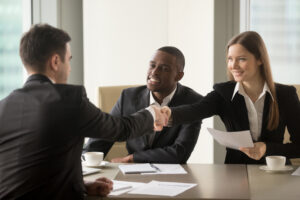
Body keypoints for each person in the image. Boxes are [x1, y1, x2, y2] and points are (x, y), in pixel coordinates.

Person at [0, 24, 167, 200]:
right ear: (56, 61)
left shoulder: (4, 106)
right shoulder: (68, 99)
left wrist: (81, 185)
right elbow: (120, 129)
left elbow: (25, 170)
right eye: (68, 60)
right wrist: (153, 113)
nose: (70, 68)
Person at [162, 31, 300, 164]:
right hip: (235, 173)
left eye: (241, 59)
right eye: (230, 59)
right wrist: (168, 113)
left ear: (259, 59)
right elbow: (195, 110)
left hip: (275, 173)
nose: (233, 66)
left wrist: (267, 148)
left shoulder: (286, 95)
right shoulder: (223, 93)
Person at [84, 46, 203, 164]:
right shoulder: (128, 97)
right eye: (152, 65)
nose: (154, 72)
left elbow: (180, 153)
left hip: (172, 175)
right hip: (132, 174)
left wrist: (133, 158)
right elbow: (102, 138)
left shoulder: (193, 102)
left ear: (179, 76)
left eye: (164, 68)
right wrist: (82, 164)